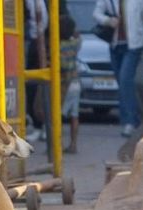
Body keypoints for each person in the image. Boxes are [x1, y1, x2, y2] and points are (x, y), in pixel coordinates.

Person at [93, 0, 143, 137]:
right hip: (115, 45)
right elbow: (96, 13)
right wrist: (108, 20)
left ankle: (130, 122)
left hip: (134, 46)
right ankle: (136, 120)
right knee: (123, 84)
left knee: (125, 80)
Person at [24, 0, 49, 142]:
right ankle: (36, 124)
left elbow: (43, 21)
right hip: (32, 41)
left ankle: (42, 125)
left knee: (36, 86)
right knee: (30, 87)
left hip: (35, 42)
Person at [59, 15, 81, 154]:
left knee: (58, 115)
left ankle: (58, 145)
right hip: (76, 82)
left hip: (64, 83)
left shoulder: (59, 46)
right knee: (74, 115)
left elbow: (62, 66)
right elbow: (79, 37)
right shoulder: (75, 44)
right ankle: (73, 144)